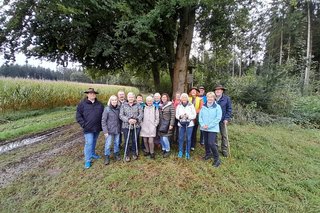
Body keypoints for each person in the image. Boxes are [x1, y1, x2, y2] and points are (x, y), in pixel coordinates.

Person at [76, 88, 104, 169]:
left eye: (93, 93)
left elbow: (103, 115)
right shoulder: (82, 104)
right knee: (89, 142)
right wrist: (84, 125)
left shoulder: (100, 104)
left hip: (97, 127)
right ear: (87, 94)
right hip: (88, 128)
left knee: (94, 141)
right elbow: (78, 116)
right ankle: (87, 160)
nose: (92, 95)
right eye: (90, 93)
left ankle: (92, 154)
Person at [199, 92, 222, 167]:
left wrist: (209, 126)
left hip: (213, 128)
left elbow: (218, 118)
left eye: (211, 97)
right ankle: (208, 154)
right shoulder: (203, 107)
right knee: (206, 142)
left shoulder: (217, 107)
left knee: (211, 143)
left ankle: (217, 159)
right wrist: (202, 125)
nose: (210, 98)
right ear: (207, 98)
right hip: (204, 127)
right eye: (208, 97)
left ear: (214, 98)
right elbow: (200, 117)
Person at [119, 92, 143, 162]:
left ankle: (134, 153)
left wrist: (136, 119)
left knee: (134, 139)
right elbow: (121, 115)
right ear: (127, 97)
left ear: (134, 98)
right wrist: (128, 120)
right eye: (129, 97)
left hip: (136, 125)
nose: (131, 98)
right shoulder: (123, 105)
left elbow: (141, 114)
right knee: (127, 140)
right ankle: (127, 154)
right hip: (126, 125)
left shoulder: (138, 105)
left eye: (132, 97)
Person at [101, 95, 121, 165]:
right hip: (109, 130)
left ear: (117, 101)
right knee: (108, 144)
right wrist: (105, 131)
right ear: (110, 101)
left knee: (117, 142)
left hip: (117, 129)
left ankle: (116, 154)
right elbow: (103, 121)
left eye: (115, 100)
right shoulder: (107, 109)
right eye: (113, 100)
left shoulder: (119, 108)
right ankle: (107, 156)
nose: (114, 101)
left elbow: (120, 119)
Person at [176, 93, 196, 159]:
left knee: (188, 138)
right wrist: (180, 116)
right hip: (181, 124)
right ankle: (180, 151)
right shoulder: (179, 106)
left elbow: (194, 115)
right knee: (181, 138)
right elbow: (176, 115)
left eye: (185, 98)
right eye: (183, 98)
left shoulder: (191, 105)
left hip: (189, 124)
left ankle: (187, 152)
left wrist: (188, 116)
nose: (184, 99)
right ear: (181, 99)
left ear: (187, 98)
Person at [214, 85, 232, 157]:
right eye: (216, 90)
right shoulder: (213, 98)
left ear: (222, 91)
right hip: (214, 120)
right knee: (214, 135)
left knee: (224, 135)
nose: (218, 91)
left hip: (222, 120)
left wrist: (226, 118)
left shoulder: (226, 98)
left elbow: (229, 109)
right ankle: (215, 148)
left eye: (219, 90)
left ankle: (224, 150)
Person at [159, 93, 175, 158]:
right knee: (161, 138)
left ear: (167, 98)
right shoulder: (160, 105)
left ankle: (168, 150)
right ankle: (164, 149)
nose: (164, 98)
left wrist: (171, 124)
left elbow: (173, 115)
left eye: (165, 97)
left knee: (165, 138)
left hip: (167, 124)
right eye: (162, 97)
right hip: (161, 124)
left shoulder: (170, 105)